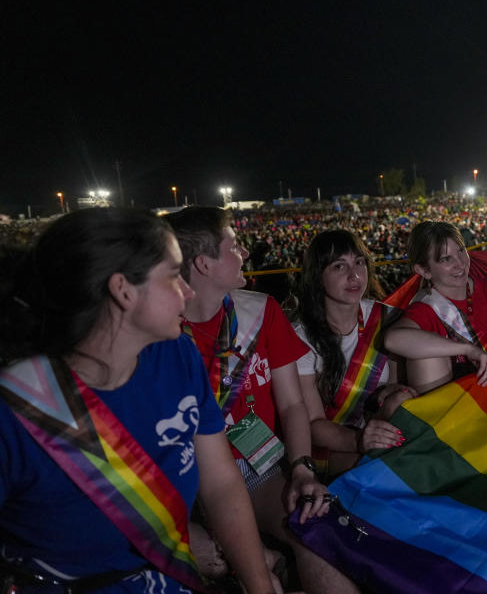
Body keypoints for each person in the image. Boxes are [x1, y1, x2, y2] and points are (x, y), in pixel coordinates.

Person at [0, 208, 278, 592]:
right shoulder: (18, 409)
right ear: (123, 290)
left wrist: (259, 585)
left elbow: (221, 484)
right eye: (171, 277)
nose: (188, 290)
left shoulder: (179, 356)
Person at [167, 207, 357, 594]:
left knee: (313, 526)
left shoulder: (260, 311)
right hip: (182, 477)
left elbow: (292, 405)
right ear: (203, 264)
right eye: (234, 246)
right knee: (223, 563)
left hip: (257, 465)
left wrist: (302, 469)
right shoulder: (159, 331)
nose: (245, 253)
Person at [293, 230, 412, 478]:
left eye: (359, 262)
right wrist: (360, 440)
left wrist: (390, 393)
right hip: (330, 447)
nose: (355, 275)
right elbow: (313, 424)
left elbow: (396, 387)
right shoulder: (300, 338)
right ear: (317, 276)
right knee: (380, 475)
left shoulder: (389, 319)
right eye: (339, 266)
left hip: (381, 428)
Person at [384, 221, 487, 394]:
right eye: (446, 259)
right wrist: (468, 350)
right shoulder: (425, 308)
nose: (460, 263)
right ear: (424, 270)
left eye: (461, 251)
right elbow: (392, 339)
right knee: (427, 357)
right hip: (450, 403)